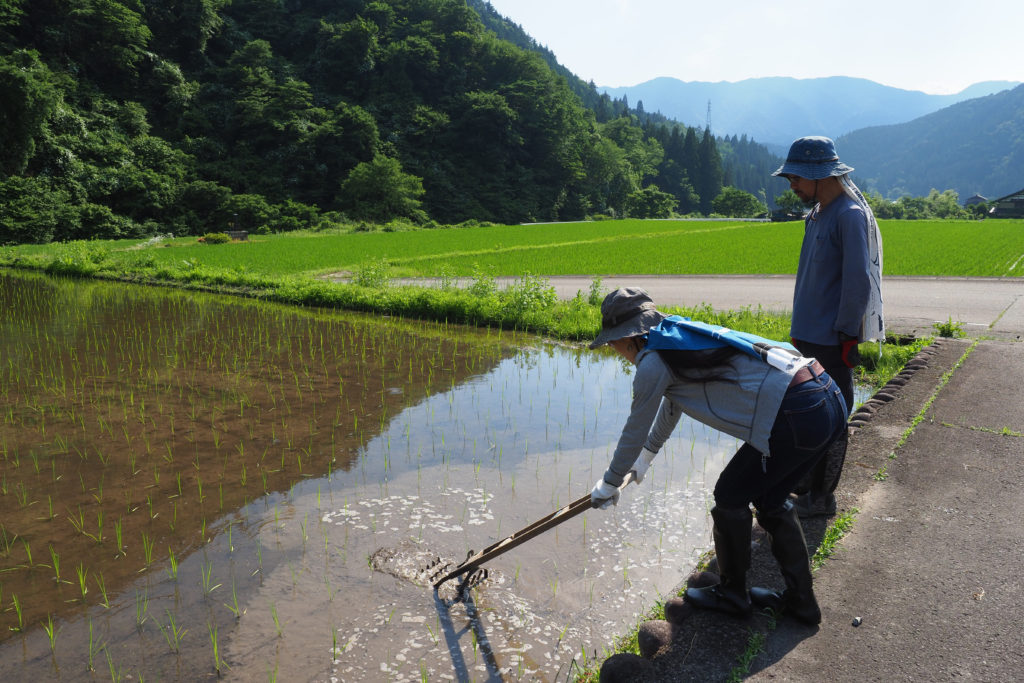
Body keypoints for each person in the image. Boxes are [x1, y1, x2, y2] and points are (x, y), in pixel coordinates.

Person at [588, 287, 848, 623]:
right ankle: (802, 603)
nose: (613, 349)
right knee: (770, 499)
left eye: (612, 343)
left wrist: (609, 483)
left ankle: (732, 595)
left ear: (625, 338)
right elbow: (674, 402)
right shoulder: (677, 336)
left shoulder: (652, 362)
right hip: (827, 395)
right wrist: (646, 458)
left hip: (797, 410)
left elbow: (634, 427)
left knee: (729, 496)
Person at [772, 136, 884, 517]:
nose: (793, 187)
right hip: (807, 338)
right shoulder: (817, 214)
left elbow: (857, 284)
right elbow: (811, 281)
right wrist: (797, 330)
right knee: (804, 417)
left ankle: (821, 498)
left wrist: (848, 337)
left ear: (820, 176)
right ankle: (803, 488)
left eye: (796, 179)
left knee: (831, 421)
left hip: (833, 342)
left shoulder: (849, 215)